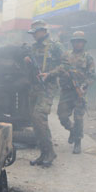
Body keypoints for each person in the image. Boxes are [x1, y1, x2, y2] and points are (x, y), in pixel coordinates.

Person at [24, 20, 64, 167]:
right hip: (34, 87)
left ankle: (50, 152)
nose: (34, 35)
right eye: (32, 33)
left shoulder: (55, 46)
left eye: (36, 32)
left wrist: (50, 74)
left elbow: (66, 65)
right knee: (34, 121)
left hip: (47, 87)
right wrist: (27, 62)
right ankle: (43, 153)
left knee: (39, 117)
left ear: (44, 31)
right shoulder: (33, 48)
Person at [51, 30, 95, 154]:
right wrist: (63, 73)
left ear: (84, 43)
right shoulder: (66, 55)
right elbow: (59, 68)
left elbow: (92, 76)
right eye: (76, 42)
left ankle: (77, 142)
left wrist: (84, 85)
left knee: (79, 118)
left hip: (79, 91)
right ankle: (72, 130)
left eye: (80, 42)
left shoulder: (88, 57)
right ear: (72, 43)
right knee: (62, 116)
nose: (78, 44)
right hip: (66, 91)